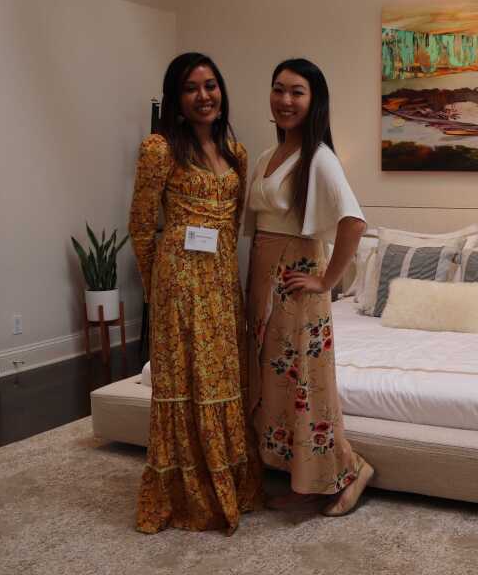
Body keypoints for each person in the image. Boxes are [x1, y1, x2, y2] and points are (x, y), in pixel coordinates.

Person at [129, 52, 262, 534]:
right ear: (176, 99)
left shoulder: (236, 152)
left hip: (223, 282)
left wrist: (233, 283)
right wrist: (157, 289)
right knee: (186, 382)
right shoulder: (159, 148)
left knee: (223, 377)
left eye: (211, 85)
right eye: (191, 88)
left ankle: (227, 477)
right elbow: (142, 226)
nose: (204, 96)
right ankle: (185, 492)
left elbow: (236, 219)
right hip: (178, 286)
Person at [245, 58, 374, 515]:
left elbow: (354, 223)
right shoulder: (267, 156)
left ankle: (350, 471)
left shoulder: (318, 157)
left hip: (297, 284)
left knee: (306, 384)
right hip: (264, 284)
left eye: (297, 92)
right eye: (278, 89)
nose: (285, 100)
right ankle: (301, 478)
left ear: (314, 100)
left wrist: (326, 280)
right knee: (276, 384)